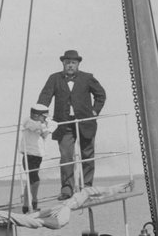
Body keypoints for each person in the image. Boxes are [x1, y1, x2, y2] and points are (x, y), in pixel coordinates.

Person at [36, 49, 106, 199]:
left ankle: (87, 186)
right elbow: (44, 99)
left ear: (78, 64)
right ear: (63, 63)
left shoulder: (87, 78)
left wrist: (95, 111)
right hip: (64, 124)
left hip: (85, 123)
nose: (70, 65)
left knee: (87, 155)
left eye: (73, 63)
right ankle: (67, 189)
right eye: (67, 62)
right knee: (66, 156)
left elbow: (101, 95)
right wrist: (43, 118)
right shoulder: (54, 78)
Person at [19, 103, 55, 211]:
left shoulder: (42, 122)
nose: (45, 119)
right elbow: (36, 128)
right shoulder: (28, 121)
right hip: (29, 155)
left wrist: (47, 129)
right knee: (33, 180)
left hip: (38, 156)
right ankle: (31, 203)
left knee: (32, 179)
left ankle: (29, 204)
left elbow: (54, 124)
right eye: (44, 117)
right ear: (36, 116)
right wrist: (46, 127)